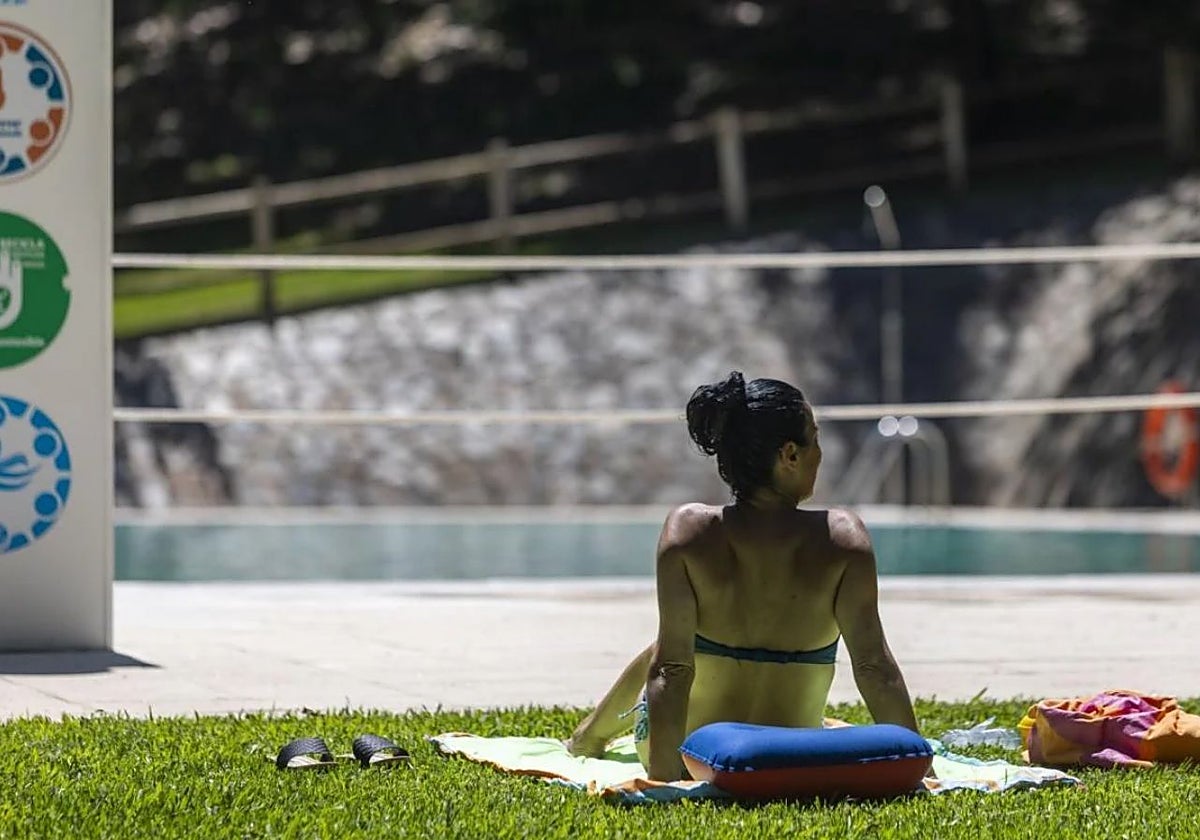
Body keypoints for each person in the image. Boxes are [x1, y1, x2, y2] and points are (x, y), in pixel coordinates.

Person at [565, 371, 919, 781]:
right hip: (787, 753)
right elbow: (874, 666)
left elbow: (671, 672)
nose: (820, 453)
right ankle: (588, 736)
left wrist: (667, 781)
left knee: (671, 646)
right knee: (682, 642)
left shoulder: (688, 531)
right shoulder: (843, 539)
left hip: (692, 754)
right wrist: (913, 764)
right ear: (789, 454)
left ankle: (588, 738)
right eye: (815, 440)